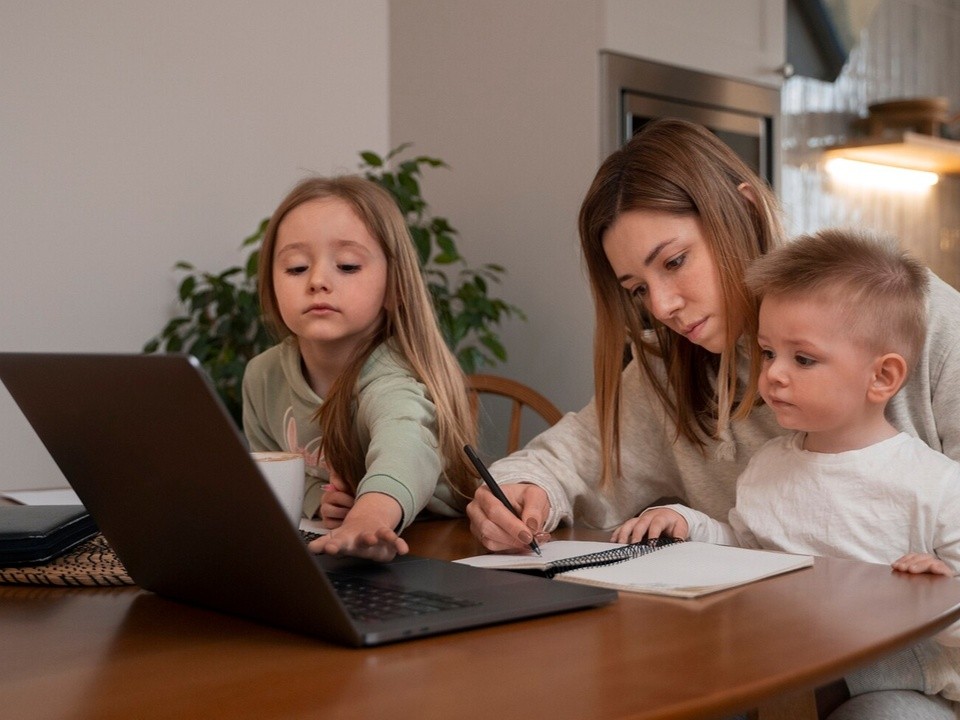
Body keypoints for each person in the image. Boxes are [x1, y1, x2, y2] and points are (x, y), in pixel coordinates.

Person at [464, 118, 960, 719]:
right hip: (765, 657)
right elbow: (567, 458)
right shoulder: (667, 372)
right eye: (638, 288)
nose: (663, 306)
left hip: (920, 675)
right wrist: (525, 488)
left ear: (744, 211)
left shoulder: (914, 314)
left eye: (673, 262)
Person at [630, 229, 960, 717]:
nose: (774, 375)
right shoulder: (768, 467)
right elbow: (747, 553)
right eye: (768, 353)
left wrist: (939, 595)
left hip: (906, 687)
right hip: (786, 671)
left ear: (882, 377)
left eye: (802, 359)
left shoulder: (936, 486)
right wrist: (690, 525)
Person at [243, 175, 477, 562]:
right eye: (297, 268)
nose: (317, 281)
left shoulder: (391, 377)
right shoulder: (262, 376)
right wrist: (319, 501)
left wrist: (369, 515)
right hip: (336, 551)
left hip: (436, 550)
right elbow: (274, 482)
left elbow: (405, 447)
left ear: (394, 286)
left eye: (348, 266)